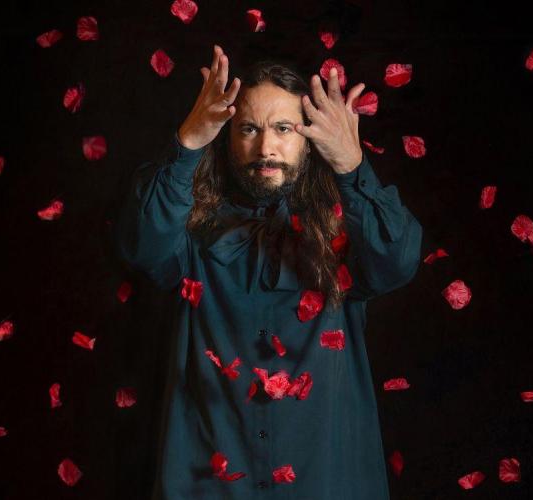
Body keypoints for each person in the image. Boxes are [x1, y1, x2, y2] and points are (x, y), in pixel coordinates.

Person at [113, 43, 423, 499]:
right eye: (249, 129)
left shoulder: (344, 230)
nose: (266, 148)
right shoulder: (191, 229)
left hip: (325, 484)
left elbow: (397, 262)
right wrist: (187, 144)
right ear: (226, 137)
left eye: (283, 128)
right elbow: (142, 246)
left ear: (308, 139)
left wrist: (350, 164)